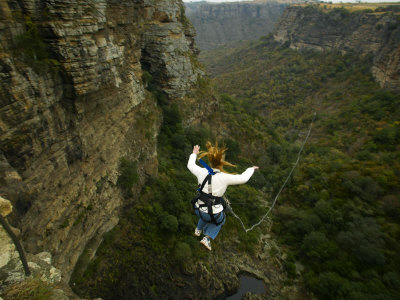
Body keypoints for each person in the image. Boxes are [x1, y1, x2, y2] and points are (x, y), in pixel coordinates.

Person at [187, 141, 259, 251]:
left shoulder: (201, 171)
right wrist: (251, 169)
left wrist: (194, 153)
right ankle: (207, 238)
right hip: (213, 214)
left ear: (210, 161)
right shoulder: (224, 177)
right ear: (222, 163)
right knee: (221, 220)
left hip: (198, 209)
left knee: (205, 212)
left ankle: (198, 229)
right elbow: (243, 178)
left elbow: (190, 165)